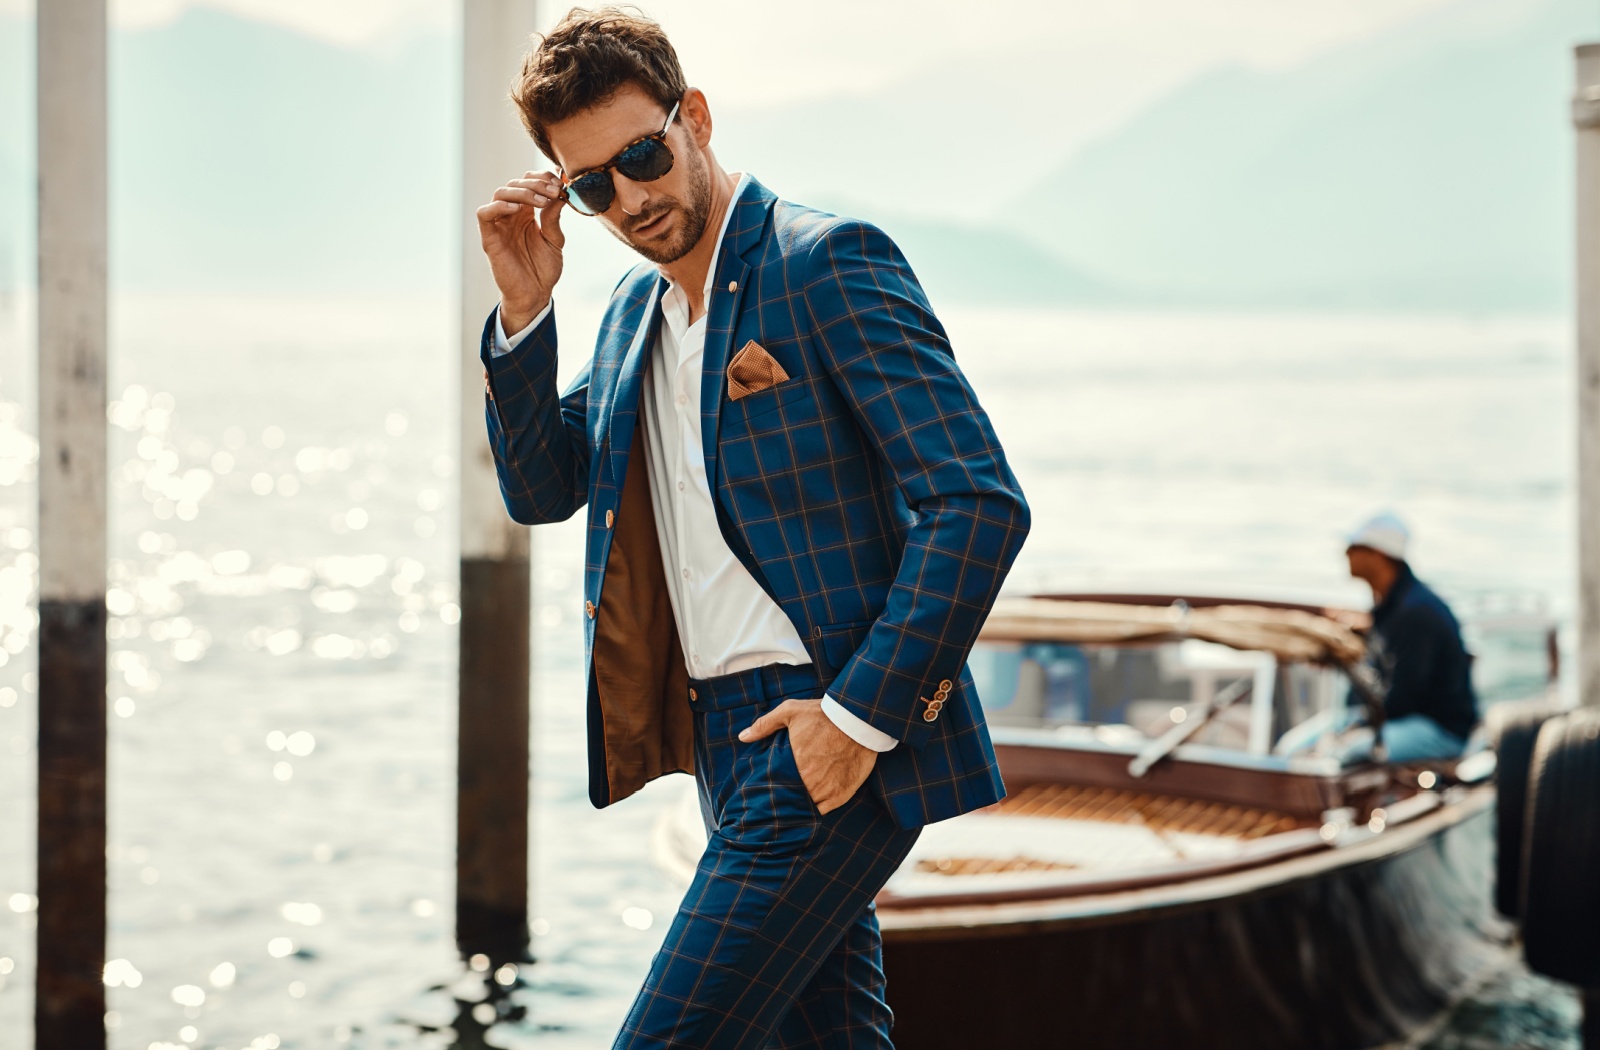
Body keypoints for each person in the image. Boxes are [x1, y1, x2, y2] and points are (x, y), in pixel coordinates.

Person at [474, 9, 1030, 1048]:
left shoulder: (824, 264)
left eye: (642, 156)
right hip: (724, 741)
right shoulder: (634, 315)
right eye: (593, 185)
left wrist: (856, 721)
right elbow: (545, 488)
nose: (630, 198)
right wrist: (524, 316)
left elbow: (977, 501)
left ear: (695, 118)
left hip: (822, 726)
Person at [1343, 512, 1477, 762]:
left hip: (1438, 729)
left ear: (1378, 555)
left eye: (1354, 547)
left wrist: (1358, 726)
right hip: (1398, 718)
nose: (1345, 554)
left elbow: (1403, 696)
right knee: (1300, 743)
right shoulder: (1392, 604)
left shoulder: (1416, 613)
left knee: (1346, 752)